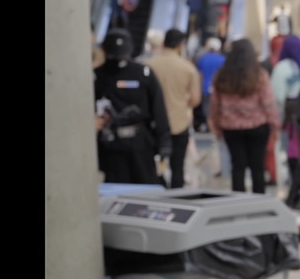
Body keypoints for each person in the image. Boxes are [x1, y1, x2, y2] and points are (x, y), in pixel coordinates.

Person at [94, 29, 172, 186]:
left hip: (140, 143)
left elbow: (159, 110)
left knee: (145, 185)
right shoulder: (97, 76)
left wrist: (164, 142)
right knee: (115, 188)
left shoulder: (143, 74)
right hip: (111, 145)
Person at [208, 39, 280, 194]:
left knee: (237, 167)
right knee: (257, 167)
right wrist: (275, 126)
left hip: (231, 127)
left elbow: (215, 105)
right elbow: (268, 103)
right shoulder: (259, 75)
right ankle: (259, 201)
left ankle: (238, 202)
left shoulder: (221, 76)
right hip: (258, 126)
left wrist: (217, 126)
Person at [144, 28, 201, 188]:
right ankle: (177, 199)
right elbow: (195, 99)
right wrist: (182, 103)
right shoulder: (188, 68)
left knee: (153, 166)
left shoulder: (149, 66)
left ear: (164, 43)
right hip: (178, 123)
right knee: (178, 167)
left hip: (153, 125)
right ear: (181, 45)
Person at [271, 35, 300, 206]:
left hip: (292, 118)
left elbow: (277, 96)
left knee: (293, 153)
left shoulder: (282, 68)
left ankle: (295, 192)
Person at [194, 37, 225, 133]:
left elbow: (199, 75)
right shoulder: (223, 59)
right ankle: (216, 127)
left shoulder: (203, 59)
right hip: (219, 89)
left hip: (205, 88)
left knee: (207, 110)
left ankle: (209, 126)